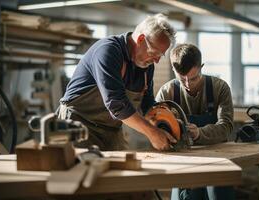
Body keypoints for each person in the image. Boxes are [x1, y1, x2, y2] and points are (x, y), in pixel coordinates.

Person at [57, 14, 176, 151]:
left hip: (111, 130)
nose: (156, 61)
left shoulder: (147, 66)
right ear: (141, 39)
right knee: (85, 169)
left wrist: (166, 123)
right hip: (79, 125)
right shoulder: (108, 51)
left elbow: (147, 104)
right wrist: (152, 133)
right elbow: (116, 104)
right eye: (153, 53)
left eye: (160, 56)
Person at [155, 44, 234, 200]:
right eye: (181, 78)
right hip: (183, 162)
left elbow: (226, 126)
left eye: (193, 78)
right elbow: (154, 126)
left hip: (218, 159)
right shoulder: (166, 92)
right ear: (173, 68)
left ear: (201, 67)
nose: (187, 84)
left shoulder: (220, 88)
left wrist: (199, 133)